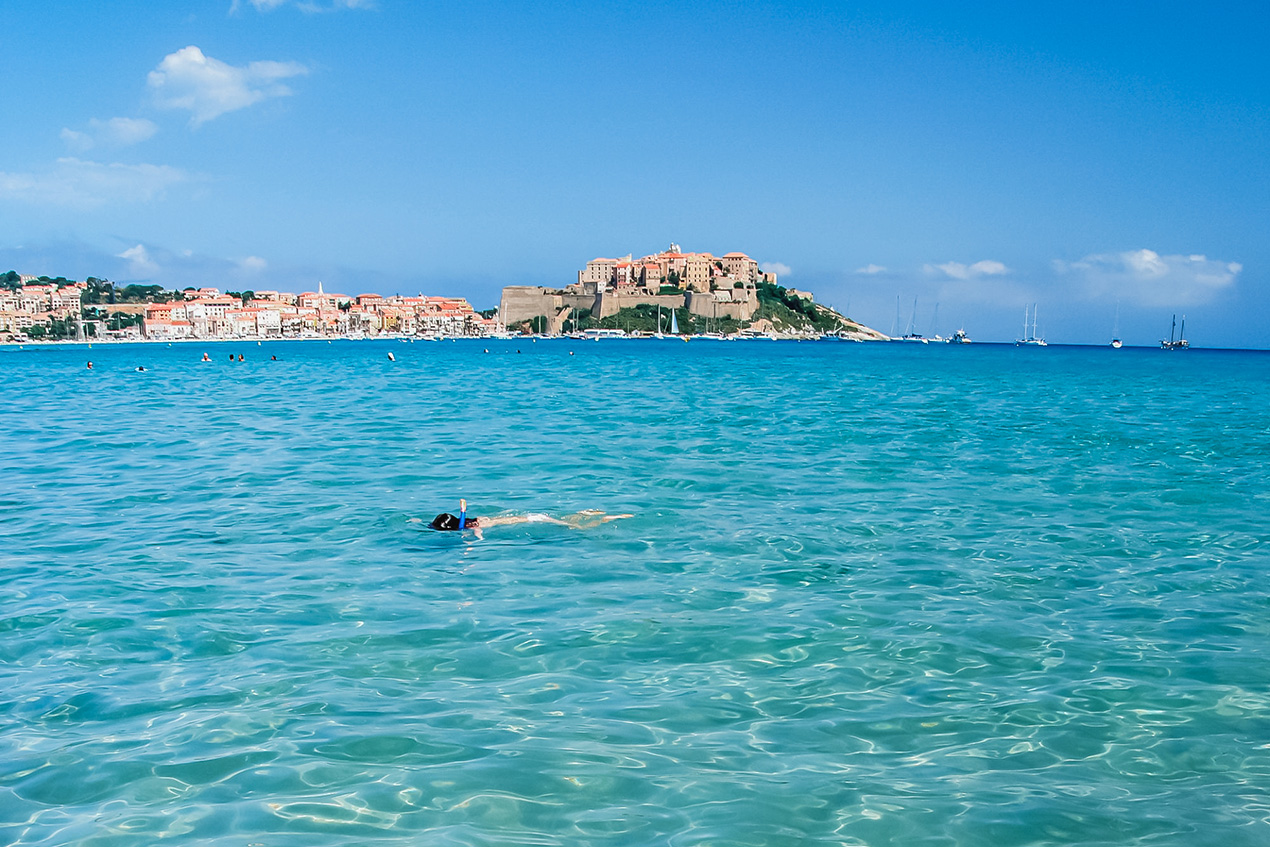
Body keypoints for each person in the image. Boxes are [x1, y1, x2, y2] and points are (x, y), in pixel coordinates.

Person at [428, 500, 632, 538]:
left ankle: (610, 518)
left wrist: (478, 541)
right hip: (531, 517)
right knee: (565, 520)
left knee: (576, 528)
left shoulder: (474, 527)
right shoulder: (475, 520)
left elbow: (478, 534)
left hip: (533, 520)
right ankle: (586, 512)